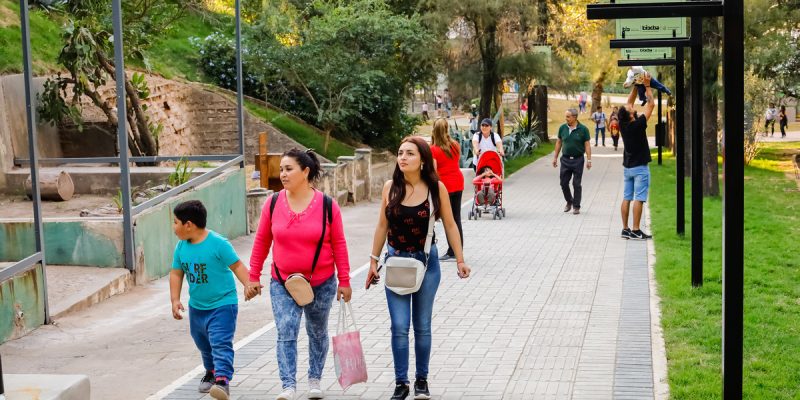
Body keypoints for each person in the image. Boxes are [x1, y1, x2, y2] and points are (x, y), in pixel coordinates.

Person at [365, 136, 471, 400]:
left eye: (409, 153)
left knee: (422, 325)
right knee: (399, 326)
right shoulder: (390, 188)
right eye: (400, 153)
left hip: (427, 264)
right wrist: (372, 261)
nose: (402, 157)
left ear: (422, 160)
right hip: (396, 263)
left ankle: (421, 381)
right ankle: (401, 383)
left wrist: (460, 259)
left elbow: (449, 224)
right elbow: (382, 226)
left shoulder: (436, 188)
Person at [249, 149, 352, 400]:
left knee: (317, 331)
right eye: (281, 169)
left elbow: (339, 243)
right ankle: (288, 384)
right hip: (282, 281)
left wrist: (345, 280)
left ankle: (315, 379)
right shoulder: (272, 203)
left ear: (305, 172)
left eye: (289, 169)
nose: (283, 174)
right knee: (286, 328)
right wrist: (254, 275)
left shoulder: (328, 206)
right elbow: (262, 241)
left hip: (321, 282)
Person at [170, 200, 261, 400]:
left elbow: (237, 266)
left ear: (188, 224)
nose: (173, 227)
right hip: (197, 307)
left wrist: (249, 284)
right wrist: (175, 299)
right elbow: (176, 273)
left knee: (220, 342)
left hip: (223, 304)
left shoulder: (218, 243)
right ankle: (210, 371)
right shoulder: (181, 247)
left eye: (175, 222)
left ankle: (222, 380)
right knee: (202, 342)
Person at [619, 74, 655, 240]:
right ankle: (635, 230)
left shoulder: (623, 124)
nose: (631, 106)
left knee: (627, 197)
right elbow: (651, 105)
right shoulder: (638, 124)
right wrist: (647, 85)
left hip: (628, 167)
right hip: (640, 167)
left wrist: (635, 85)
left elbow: (629, 103)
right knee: (639, 198)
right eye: (630, 109)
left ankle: (625, 229)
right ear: (631, 115)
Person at [430, 118, 464, 262]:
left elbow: (434, 170)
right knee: (456, 217)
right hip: (458, 181)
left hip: (445, 186)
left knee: (447, 219)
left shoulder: (433, 149)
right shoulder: (455, 145)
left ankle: (451, 250)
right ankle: (458, 249)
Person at [552, 108, 591, 215]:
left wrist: (589, 159)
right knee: (563, 183)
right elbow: (559, 142)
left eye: (568, 117)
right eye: (566, 116)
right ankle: (569, 201)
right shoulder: (562, 128)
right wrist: (555, 157)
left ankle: (576, 206)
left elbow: (587, 145)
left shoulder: (583, 129)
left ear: (574, 117)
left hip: (578, 160)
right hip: (565, 159)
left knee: (576, 184)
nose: (566, 119)